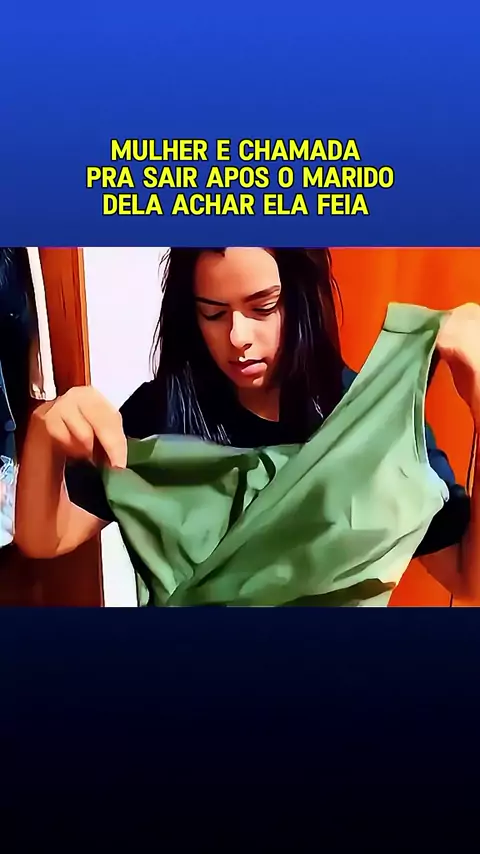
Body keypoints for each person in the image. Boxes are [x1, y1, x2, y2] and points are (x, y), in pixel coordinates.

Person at [14, 248, 480, 600]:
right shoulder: (162, 412)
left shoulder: (370, 422)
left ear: (302, 298)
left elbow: (467, 578)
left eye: (263, 307)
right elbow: (44, 539)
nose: (237, 337)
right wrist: (44, 436)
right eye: (213, 313)